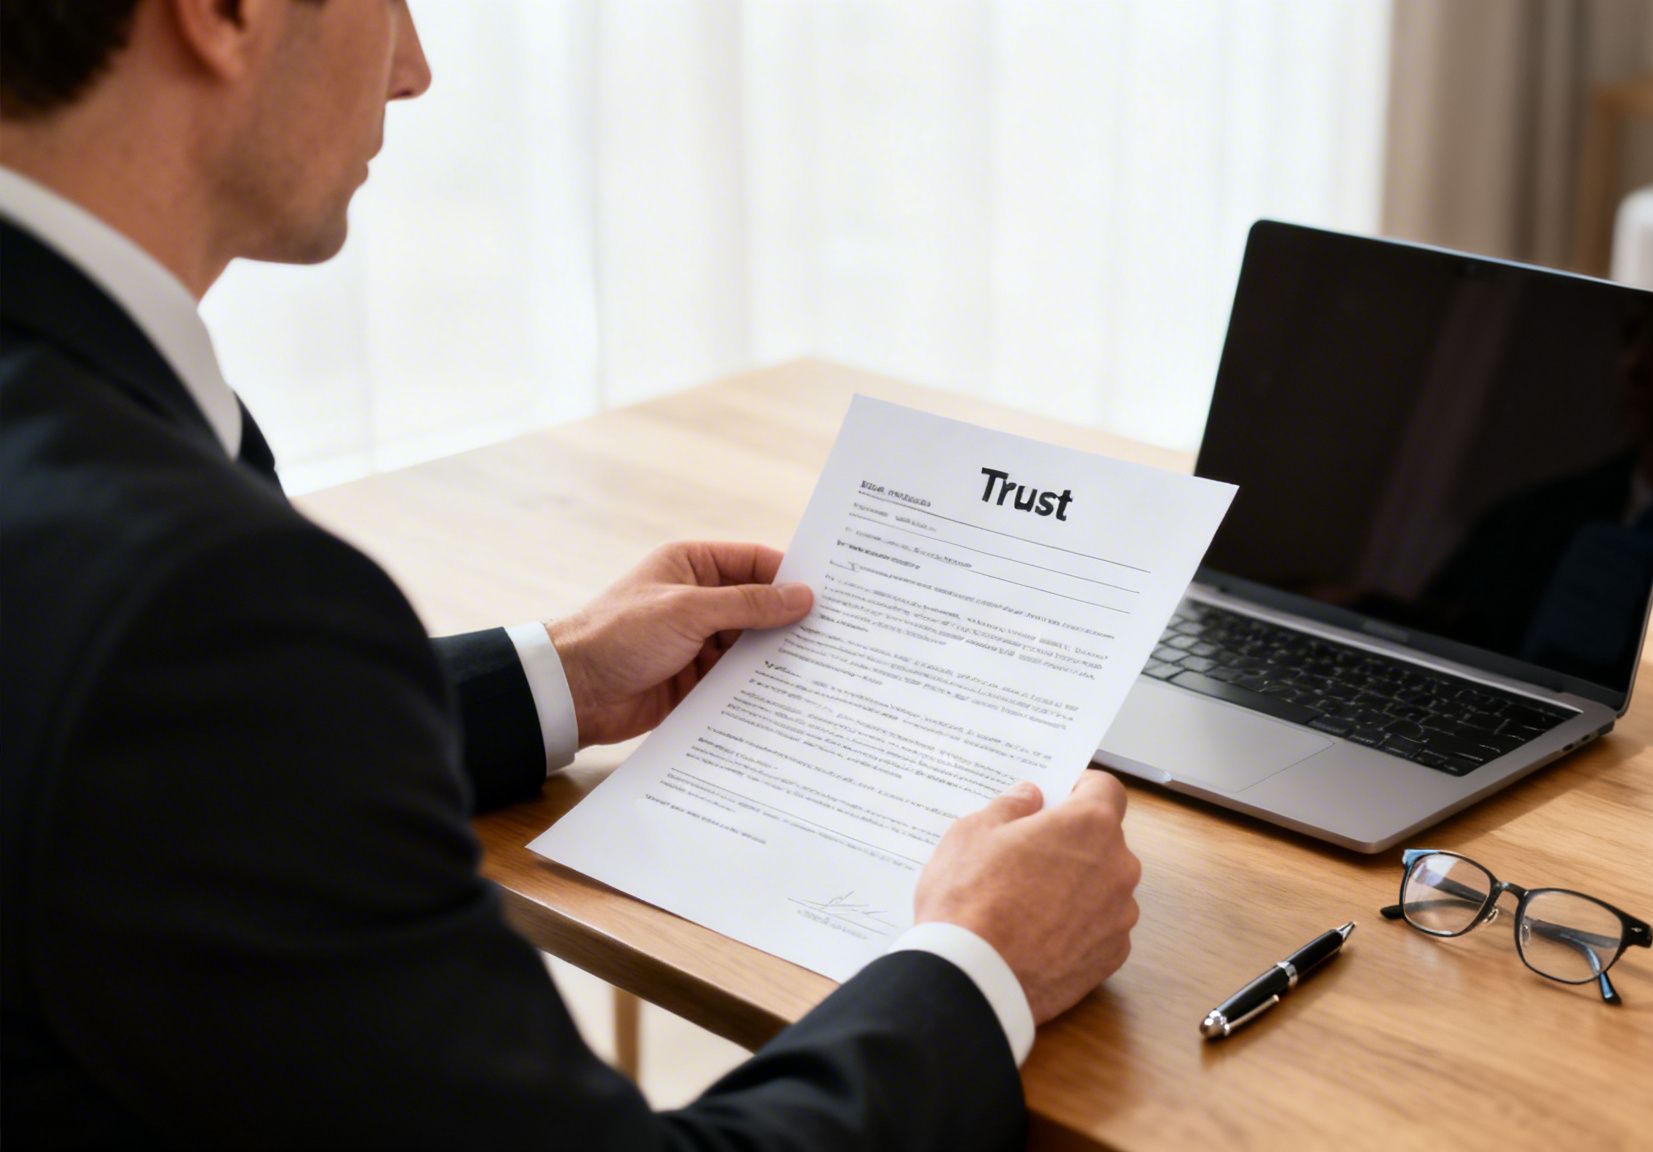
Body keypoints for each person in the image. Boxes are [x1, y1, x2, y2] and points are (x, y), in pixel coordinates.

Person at [0, 2, 1141, 1147]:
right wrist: (976, 963)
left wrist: (559, 676)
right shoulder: (202, 602)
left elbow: (165, 776)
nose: (413, 69)